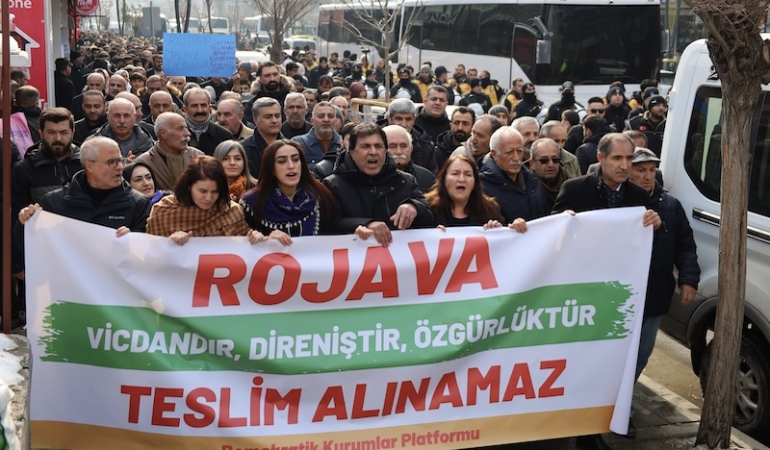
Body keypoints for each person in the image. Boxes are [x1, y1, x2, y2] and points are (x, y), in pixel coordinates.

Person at [551, 133, 662, 450]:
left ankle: (591, 432)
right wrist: (562, 221)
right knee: (576, 363)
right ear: (600, 159)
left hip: (614, 298)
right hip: (580, 295)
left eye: (629, 159)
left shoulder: (638, 196)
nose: (625, 165)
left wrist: (654, 222)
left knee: (602, 365)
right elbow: (549, 232)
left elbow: (647, 243)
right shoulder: (576, 189)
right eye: (618, 158)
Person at [626, 147, 700, 438]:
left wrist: (688, 279)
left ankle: (622, 406)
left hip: (655, 295)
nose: (646, 176)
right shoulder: (619, 204)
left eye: (650, 170)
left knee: (641, 355)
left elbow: (685, 244)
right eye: (640, 169)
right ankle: (619, 411)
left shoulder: (670, 205)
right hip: (622, 298)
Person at [16, 136, 151, 242]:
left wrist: (133, 240)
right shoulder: (54, 202)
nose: (120, 167)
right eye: (111, 162)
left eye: (120, 160)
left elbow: (146, 255)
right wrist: (26, 221)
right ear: (89, 166)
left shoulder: (138, 204)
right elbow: (31, 244)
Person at [322, 123, 434, 246]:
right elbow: (329, 224)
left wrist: (415, 207)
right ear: (351, 152)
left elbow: (430, 218)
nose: (373, 152)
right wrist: (365, 224)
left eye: (378, 146)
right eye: (365, 146)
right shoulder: (333, 185)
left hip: (399, 261)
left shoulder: (406, 181)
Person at [146, 155, 261, 245]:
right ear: (189, 186)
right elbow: (150, 257)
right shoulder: (163, 211)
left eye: (215, 192)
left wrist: (256, 239)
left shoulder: (233, 212)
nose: (209, 198)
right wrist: (168, 244)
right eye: (203, 191)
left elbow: (244, 254)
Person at [240, 140, 336, 242]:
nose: (291, 166)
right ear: (271, 168)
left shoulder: (321, 195)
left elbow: (334, 235)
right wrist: (265, 240)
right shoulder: (251, 202)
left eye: (295, 159)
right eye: (282, 161)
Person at [11, 108, 83, 219]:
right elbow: (17, 213)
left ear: (72, 133)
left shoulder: (86, 165)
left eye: (63, 132)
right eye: (51, 132)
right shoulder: (24, 169)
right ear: (41, 133)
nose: (58, 138)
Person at [479, 127, 550, 223]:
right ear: (494, 154)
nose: (516, 158)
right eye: (509, 152)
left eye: (519, 151)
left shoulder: (533, 180)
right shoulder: (482, 186)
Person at [425, 154, 503, 227]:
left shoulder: (490, 210)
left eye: (468, 174)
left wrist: (495, 230)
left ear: (475, 183)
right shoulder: (427, 209)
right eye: (455, 174)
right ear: (444, 180)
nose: (462, 179)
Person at [135, 112, 204, 191]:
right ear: (163, 133)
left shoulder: (198, 157)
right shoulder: (144, 162)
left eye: (186, 128)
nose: (187, 133)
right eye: (180, 128)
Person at [88, 97, 155, 159]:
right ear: (108, 116)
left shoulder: (148, 143)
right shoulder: (93, 144)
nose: (122, 121)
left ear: (134, 117)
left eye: (126, 116)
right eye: (117, 116)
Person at [383, 125, 435, 192]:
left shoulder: (427, 178)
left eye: (403, 146)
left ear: (411, 149)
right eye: (392, 146)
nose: (399, 151)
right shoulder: (371, 178)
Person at [242, 97, 285, 179]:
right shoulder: (244, 150)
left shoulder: (291, 147)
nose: (274, 120)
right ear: (255, 120)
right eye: (268, 117)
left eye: (277, 116)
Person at [183, 88, 233, 155]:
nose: (200, 110)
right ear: (185, 109)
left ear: (210, 108)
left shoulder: (224, 135)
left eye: (203, 105)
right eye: (194, 106)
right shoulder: (176, 134)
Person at [292, 102, 341, 170]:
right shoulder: (299, 143)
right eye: (321, 116)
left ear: (335, 121)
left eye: (330, 116)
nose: (326, 120)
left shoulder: (343, 144)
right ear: (312, 121)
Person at [528, 138, 568, 207]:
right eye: (544, 160)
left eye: (555, 160)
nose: (551, 165)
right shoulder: (526, 188)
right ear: (532, 164)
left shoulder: (569, 186)